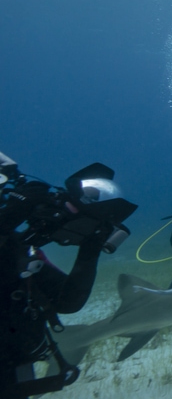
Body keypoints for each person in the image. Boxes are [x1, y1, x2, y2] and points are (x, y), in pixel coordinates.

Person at [1, 153, 135, 398]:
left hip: (14, 366)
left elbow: (68, 302)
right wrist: (9, 218)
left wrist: (89, 252)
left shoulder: (20, 252)